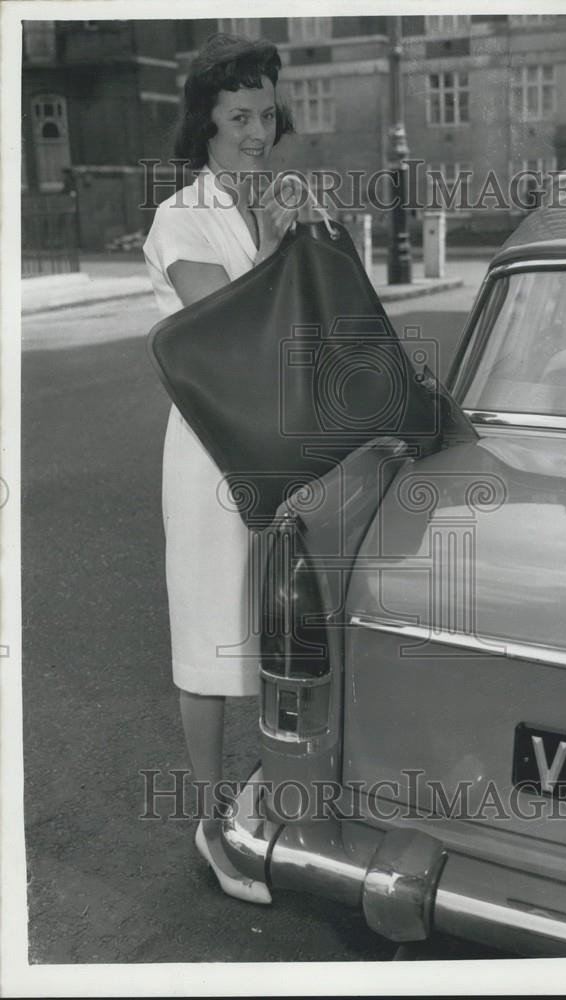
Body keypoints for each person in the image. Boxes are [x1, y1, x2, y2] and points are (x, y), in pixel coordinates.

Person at [143, 33, 301, 903]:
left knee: (282, 630)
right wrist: (279, 247)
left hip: (281, 446)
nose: (255, 130)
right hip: (210, 452)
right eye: (238, 115)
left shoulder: (269, 201)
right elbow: (236, 335)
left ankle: (271, 794)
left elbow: (309, 322)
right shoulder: (181, 217)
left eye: (266, 113)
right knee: (209, 638)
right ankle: (212, 826)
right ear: (204, 121)